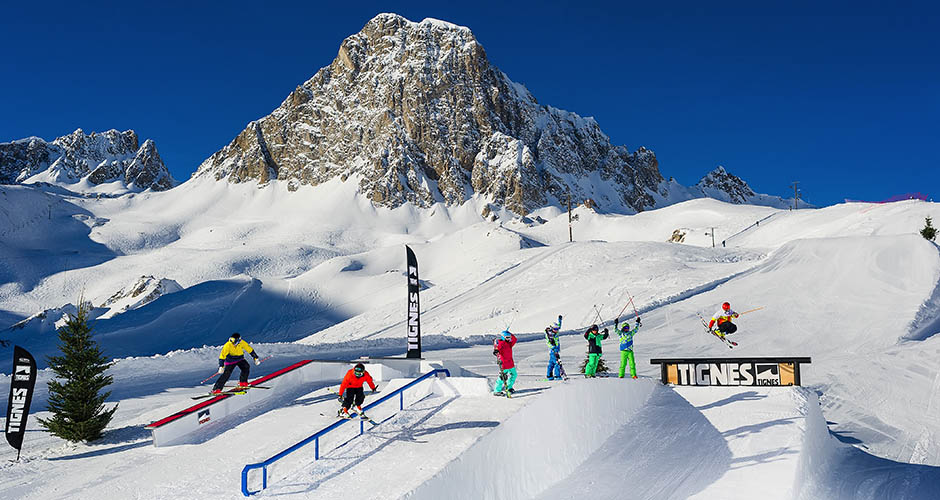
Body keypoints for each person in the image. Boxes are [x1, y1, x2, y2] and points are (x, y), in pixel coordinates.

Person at [493, 330, 518, 395]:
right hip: (504, 364)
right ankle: (496, 391)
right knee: (502, 377)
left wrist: (509, 333)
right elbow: (497, 349)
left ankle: (509, 387)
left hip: (510, 363)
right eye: (507, 337)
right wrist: (496, 351)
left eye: (509, 337)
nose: (509, 339)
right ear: (503, 337)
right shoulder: (500, 343)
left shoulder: (509, 343)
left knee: (514, 375)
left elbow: (515, 339)